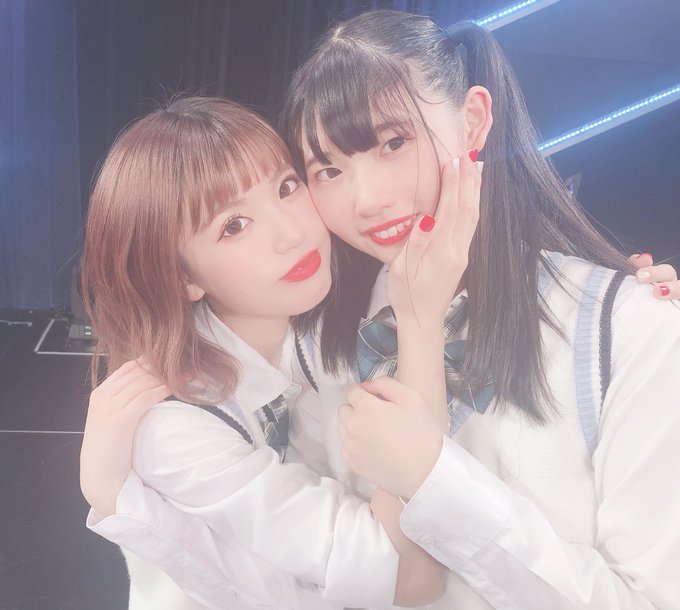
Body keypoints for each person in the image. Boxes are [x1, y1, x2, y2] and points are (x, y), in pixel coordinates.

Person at [81, 9, 680, 610]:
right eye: (328, 170)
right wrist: (119, 500)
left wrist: (435, 477)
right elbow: (353, 580)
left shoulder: (627, 329)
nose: (366, 200)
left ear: (474, 121)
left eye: (394, 143)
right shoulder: (320, 336)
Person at [79, 95, 481, 609]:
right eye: (233, 225)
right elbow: (407, 582)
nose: (294, 234)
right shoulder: (175, 429)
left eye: (287, 187)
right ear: (182, 278)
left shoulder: (310, 327)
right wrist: (419, 326)